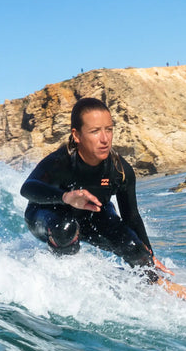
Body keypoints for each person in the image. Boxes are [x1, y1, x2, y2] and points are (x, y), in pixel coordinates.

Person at [21, 97, 169, 281]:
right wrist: (66, 197)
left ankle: (155, 283)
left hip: (92, 217)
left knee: (134, 247)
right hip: (48, 215)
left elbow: (131, 217)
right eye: (95, 131)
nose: (105, 139)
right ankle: (61, 277)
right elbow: (27, 189)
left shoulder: (120, 171)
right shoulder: (61, 162)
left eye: (109, 130)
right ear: (77, 135)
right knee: (65, 228)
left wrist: (149, 259)